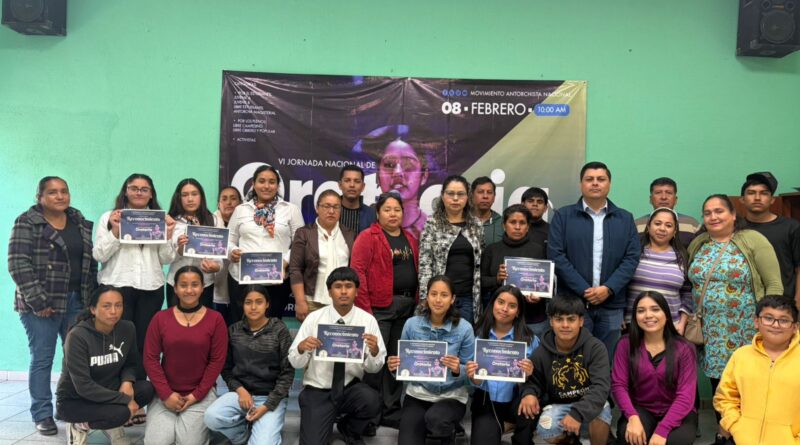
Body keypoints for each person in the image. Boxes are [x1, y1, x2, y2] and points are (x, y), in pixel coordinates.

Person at [687, 194, 783, 444]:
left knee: (749, 385)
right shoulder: (698, 243)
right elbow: (688, 284)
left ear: (732, 214)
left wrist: (769, 322)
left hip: (747, 329)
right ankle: (725, 435)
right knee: (721, 387)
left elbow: (773, 284)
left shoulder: (753, 240)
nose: (713, 217)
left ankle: (751, 437)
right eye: (707, 213)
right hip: (712, 332)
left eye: (719, 211)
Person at [8, 176, 97, 436]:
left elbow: (90, 262)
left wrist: (91, 299)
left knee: (74, 358)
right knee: (43, 358)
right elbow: (17, 263)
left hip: (77, 301)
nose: (60, 196)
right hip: (42, 305)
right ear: (40, 197)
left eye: (64, 191)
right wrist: (38, 301)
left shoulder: (78, 220)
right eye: (52, 192)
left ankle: (66, 407)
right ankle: (42, 413)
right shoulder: (27, 222)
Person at [548, 161, 640, 356]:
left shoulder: (625, 218)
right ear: (581, 184)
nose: (595, 183)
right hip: (573, 304)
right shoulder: (563, 216)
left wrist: (609, 288)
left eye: (601, 179)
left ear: (609, 184)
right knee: (573, 359)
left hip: (612, 304)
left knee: (607, 359)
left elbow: (631, 258)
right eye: (589, 179)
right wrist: (584, 290)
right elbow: (556, 255)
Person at [93, 173, 176, 384]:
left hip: (150, 287)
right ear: (126, 191)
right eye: (134, 188)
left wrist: (167, 236)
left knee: (144, 343)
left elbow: (166, 259)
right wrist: (116, 231)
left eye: (144, 189)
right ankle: (114, 388)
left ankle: (137, 389)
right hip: (116, 287)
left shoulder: (160, 220)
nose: (139, 192)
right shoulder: (109, 217)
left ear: (151, 194)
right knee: (115, 341)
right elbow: (99, 254)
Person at [288, 267, 386, 445]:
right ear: (329, 292)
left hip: (350, 389)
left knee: (371, 400)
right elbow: (295, 362)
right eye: (338, 286)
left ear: (356, 291)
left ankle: (349, 428)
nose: (343, 291)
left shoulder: (367, 320)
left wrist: (374, 351)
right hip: (318, 390)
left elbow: (374, 368)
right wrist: (301, 348)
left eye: (348, 286)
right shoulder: (314, 318)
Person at [351, 192, 419, 428]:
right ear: (378, 213)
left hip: (406, 308)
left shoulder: (410, 238)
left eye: (397, 210)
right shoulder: (367, 237)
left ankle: (391, 410)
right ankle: (369, 414)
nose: (393, 214)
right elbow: (358, 273)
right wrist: (366, 311)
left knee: (395, 360)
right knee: (375, 360)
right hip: (380, 308)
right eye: (387, 209)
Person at [56, 285, 155, 444]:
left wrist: (127, 382)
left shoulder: (127, 328)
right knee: (121, 413)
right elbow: (84, 387)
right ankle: (79, 425)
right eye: (106, 306)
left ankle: (110, 423)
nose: (113, 311)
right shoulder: (77, 336)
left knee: (146, 389)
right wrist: (125, 399)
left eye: (118, 305)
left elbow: (131, 363)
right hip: (75, 401)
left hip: (107, 391)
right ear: (93, 309)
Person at [143, 265, 228, 445]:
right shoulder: (160, 318)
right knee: (157, 442)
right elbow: (150, 359)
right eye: (183, 285)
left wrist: (196, 395)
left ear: (202, 287)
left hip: (200, 394)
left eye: (194, 285)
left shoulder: (215, 319)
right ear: (175, 288)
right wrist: (166, 394)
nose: (189, 290)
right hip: (165, 394)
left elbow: (217, 361)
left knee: (188, 442)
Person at [388, 275, 475, 445]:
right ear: (426, 297)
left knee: (437, 420)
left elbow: (471, 377)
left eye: (444, 295)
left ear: (452, 299)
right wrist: (395, 368)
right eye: (433, 294)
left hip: (452, 396)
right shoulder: (411, 324)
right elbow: (404, 371)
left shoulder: (464, 328)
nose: (438, 300)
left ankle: (448, 431)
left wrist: (459, 369)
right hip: (418, 394)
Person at [204, 285, 294, 445]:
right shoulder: (233, 330)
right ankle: (241, 436)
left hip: (270, 397)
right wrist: (240, 391)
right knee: (212, 417)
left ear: (267, 304)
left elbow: (287, 373)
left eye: (259, 302)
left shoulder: (279, 329)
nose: (253, 307)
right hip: (241, 395)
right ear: (242, 304)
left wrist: (267, 406)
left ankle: (263, 428)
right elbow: (226, 369)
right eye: (248, 302)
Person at [518, 295, 612, 445]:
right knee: (546, 428)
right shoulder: (541, 352)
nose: (565, 325)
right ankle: (571, 441)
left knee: (602, 409)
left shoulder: (595, 348)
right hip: (559, 405)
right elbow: (534, 381)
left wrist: (577, 413)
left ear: (581, 321)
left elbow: (601, 387)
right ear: (551, 322)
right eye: (559, 319)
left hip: (588, 402)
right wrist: (529, 393)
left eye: (571, 319)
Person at [612, 291, 697, 445]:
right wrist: (632, 417)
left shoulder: (685, 348)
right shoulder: (625, 344)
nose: (648, 315)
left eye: (655, 309)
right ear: (635, 316)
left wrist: (662, 430)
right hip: (641, 409)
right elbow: (619, 385)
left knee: (675, 442)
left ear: (666, 314)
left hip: (678, 411)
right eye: (641, 311)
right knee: (629, 438)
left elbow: (686, 396)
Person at [713, 295, 800, 445]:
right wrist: (735, 425)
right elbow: (725, 397)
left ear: (795, 327)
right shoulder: (741, 356)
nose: (775, 325)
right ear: (756, 322)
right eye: (768, 318)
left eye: (784, 320)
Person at [228, 165, 304, 321]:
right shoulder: (241, 209)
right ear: (253, 184)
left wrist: (285, 262)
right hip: (242, 279)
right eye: (261, 181)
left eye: (272, 182)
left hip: (275, 281)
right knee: (240, 327)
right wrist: (232, 251)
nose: (266, 186)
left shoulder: (290, 209)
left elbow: (300, 243)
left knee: (272, 328)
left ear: (278, 185)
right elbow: (229, 240)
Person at [467, 286, 539, 445]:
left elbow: (538, 381)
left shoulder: (530, 340)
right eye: (500, 302)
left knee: (530, 402)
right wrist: (474, 378)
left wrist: (529, 375)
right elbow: (471, 380)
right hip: (486, 401)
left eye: (512, 306)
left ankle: (518, 433)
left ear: (518, 312)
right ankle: (497, 426)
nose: (505, 309)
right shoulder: (477, 334)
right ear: (493, 304)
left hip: (516, 401)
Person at [418, 175, 484, 323]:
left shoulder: (476, 225)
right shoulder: (432, 224)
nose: (455, 198)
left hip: (468, 297)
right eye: (450, 193)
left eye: (460, 194)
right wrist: (425, 297)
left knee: (462, 335)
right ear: (443, 196)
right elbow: (425, 263)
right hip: (439, 297)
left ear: (467, 197)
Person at [480, 204, 548, 338]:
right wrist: (497, 279)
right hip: (500, 320)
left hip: (532, 319)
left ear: (528, 227)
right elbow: (480, 282)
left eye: (522, 223)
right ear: (504, 225)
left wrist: (539, 295)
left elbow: (547, 282)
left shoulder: (538, 250)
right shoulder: (492, 250)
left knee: (532, 352)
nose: (517, 227)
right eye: (513, 222)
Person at [289, 190, 356, 321]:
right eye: (326, 206)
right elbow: (295, 269)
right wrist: (300, 301)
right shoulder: (304, 233)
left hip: (343, 303)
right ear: (317, 208)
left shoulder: (349, 234)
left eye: (336, 207)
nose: (331, 211)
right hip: (312, 302)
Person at [359, 124, 433, 239]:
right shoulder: (365, 225)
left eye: (408, 165)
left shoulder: (432, 230)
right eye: (389, 165)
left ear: (424, 176)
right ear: (378, 175)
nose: (398, 172)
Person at [626, 208, 693, 334]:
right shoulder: (633, 253)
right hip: (634, 326)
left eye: (668, 225)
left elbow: (687, 293)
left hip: (670, 327)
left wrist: (682, 322)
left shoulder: (682, 257)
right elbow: (621, 284)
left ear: (675, 231)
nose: (662, 228)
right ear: (648, 227)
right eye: (657, 223)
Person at [740, 171, 800, 303]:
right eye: (751, 193)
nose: (757, 198)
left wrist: (798, 302)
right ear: (742, 199)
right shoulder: (736, 229)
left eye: (764, 193)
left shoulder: (791, 227)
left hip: (783, 303)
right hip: (745, 303)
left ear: (772, 200)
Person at [167, 178, 223, 308]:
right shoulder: (170, 221)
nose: (190, 199)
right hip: (176, 283)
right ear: (178, 198)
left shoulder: (214, 220)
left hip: (205, 283)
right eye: (185, 195)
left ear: (201, 196)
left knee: (202, 319)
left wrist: (216, 266)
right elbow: (166, 256)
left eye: (194, 194)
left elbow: (219, 255)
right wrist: (180, 249)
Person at [634, 178, 701, 247]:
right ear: (650, 199)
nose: (663, 197)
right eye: (658, 193)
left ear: (675, 200)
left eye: (669, 193)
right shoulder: (636, 225)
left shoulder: (692, 224)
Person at [212, 186, 243, 324]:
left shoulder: (247, 226)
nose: (229, 202)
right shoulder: (209, 223)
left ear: (240, 203)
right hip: (215, 289)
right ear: (218, 204)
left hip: (240, 287)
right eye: (224, 199)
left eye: (233, 199)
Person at [338, 164, 377, 234]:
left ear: (363, 186)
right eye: (347, 180)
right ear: (340, 185)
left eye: (357, 181)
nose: (352, 185)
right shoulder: (331, 211)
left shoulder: (372, 215)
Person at [471, 176, 503, 245]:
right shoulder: (462, 220)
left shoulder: (502, 223)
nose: (485, 196)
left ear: (494, 197)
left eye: (489, 192)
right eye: (480, 192)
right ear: (472, 195)